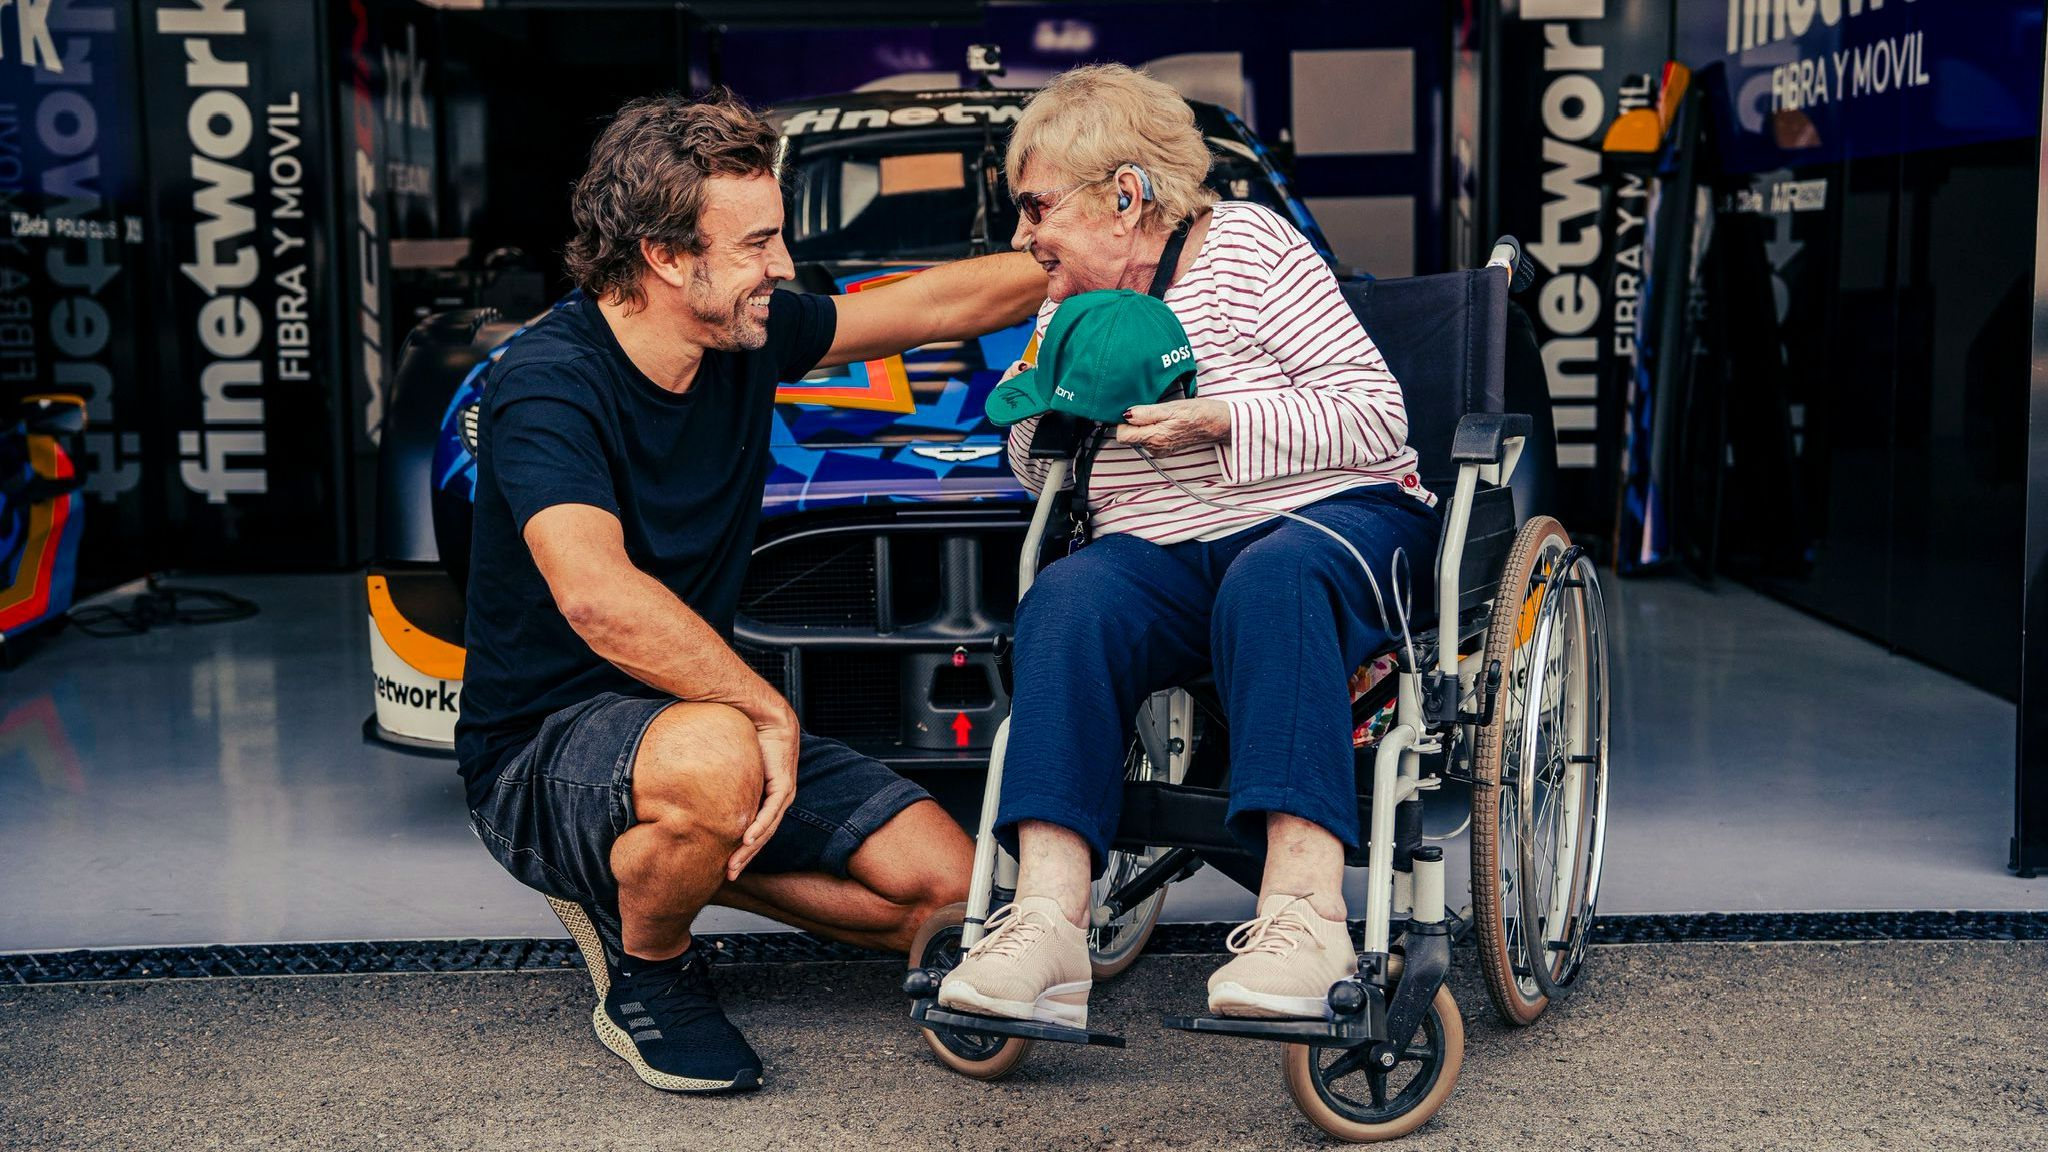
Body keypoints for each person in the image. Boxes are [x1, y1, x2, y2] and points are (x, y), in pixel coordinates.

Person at [457, 90, 1046, 1094]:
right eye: (759, 242)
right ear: (664, 256)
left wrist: (1092, 259)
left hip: (691, 731)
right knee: (725, 755)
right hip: (541, 746)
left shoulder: (744, 331)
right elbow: (596, 595)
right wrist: (761, 708)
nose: (781, 267)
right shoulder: (547, 385)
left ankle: (644, 873)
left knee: (947, 895)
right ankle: (650, 966)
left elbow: (937, 304)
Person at [936, 64, 1441, 1027]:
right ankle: (1046, 923)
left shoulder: (1248, 244)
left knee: (1273, 578)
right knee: (1069, 598)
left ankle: (1305, 916)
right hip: (1166, 554)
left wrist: (1219, 421)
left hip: (1332, 526)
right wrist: (1050, 428)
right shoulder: (1067, 308)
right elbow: (1037, 472)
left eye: (1037, 206)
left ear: (1126, 195)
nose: (1024, 235)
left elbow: (1375, 416)